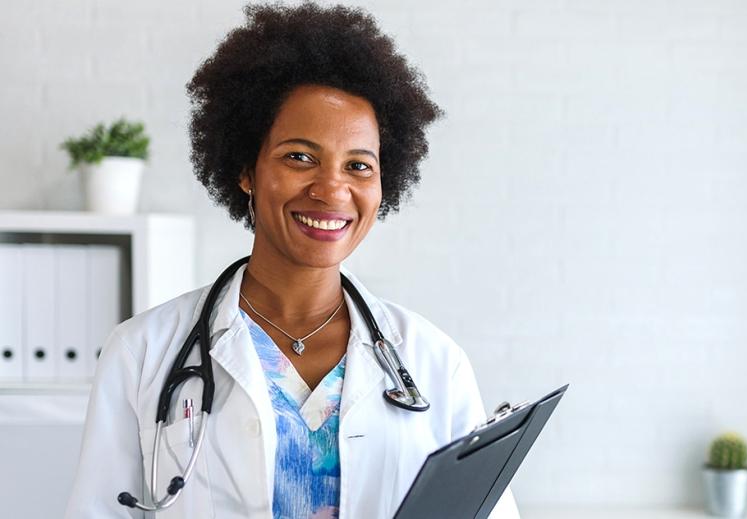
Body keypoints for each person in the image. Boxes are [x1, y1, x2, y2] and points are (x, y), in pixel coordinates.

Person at [65, 3, 520, 518]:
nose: (332, 189)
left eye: (358, 166)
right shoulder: (140, 355)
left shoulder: (434, 363)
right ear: (246, 170)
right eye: (299, 157)